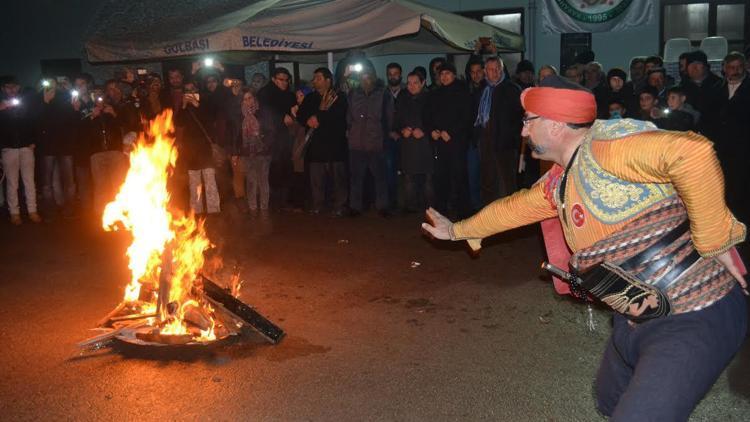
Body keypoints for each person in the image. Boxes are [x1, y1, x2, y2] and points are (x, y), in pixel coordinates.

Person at [422, 74, 747, 421]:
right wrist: (456, 230)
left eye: (528, 122)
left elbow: (692, 152)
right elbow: (513, 209)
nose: (522, 132)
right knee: (609, 400)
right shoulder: (562, 178)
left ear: (557, 124)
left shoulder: (609, 149)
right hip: (635, 315)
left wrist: (714, 240)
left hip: (694, 314)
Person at [296, 67, 348, 216]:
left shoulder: (338, 97)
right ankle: (318, 204)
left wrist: (319, 117)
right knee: (316, 179)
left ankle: (339, 206)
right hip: (316, 146)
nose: (315, 81)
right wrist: (308, 120)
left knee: (337, 179)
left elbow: (339, 116)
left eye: (318, 78)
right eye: (314, 78)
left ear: (328, 80)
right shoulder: (310, 98)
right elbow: (300, 115)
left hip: (334, 145)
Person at [423, 62, 473, 219]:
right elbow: (427, 116)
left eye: (447, 73)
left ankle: (463, 213)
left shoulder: (463, 93)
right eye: (441, 74)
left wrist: (451, 132)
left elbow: (467, 117)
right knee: (440, 178)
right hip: (440, 144)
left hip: (457, 143)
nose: (444, 77)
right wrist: (432, 131)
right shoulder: (435, 94)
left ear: (454, 74)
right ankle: (441, 211)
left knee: (459, 178)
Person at [475, 57, 524, 205]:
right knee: (488, 181)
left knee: (507, 183)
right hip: (485, 143)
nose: (494, 72)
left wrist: (511, 136)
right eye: (490, 69)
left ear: (502, 70)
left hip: (506, 144)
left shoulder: (512, 89)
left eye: (497, 69)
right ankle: (489, 217)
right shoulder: (481, 90)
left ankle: (509, 218)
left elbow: (520, 118)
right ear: (485, 72)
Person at [346, 68, 389, 217]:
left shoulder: (383, 93)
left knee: (380, 178)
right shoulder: (353, 94)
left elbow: (388, 116)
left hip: (376, 141)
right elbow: (348, 116)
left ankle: (382, 207)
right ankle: (355, 207)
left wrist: (385, 137)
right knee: (356, 178)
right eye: (363, 77)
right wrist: (350, 132)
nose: (366, 79)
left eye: (368, 76)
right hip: (356, 142)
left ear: (374, 77)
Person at [174, 80, 220, 215]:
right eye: (187, 91)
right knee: (194, 183)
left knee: (210, 181)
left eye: (192, 89)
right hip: (191, 150)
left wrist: (197, 105)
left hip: (205, 148)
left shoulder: (206, 102)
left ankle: (214, 211)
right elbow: (178, 123)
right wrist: (183, 106)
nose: (190, 93)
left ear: (197, 90)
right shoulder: (184, 106)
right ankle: (197, 211)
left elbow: (211, 120)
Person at [0, 75, 41, 224]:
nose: (11, 90)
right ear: (3, 89)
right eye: (8, 87)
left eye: (14, 86)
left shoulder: (26, 103)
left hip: (26, 147)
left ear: (18, 87)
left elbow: (34, 122)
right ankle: (14, 213)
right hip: (8, 148)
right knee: (12, 183)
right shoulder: (1, 106)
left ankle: (32, 210)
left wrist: (33, 141)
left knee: (29, 180)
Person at [35, 78, 76, 219]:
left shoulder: (65, 98)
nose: (52, 87)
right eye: (49, 84)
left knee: (69, 181)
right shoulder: (38, 100)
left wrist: (74, 108)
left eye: (54, 84)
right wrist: (45, 102)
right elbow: (36, 123)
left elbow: (72, 122)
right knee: (47, 182)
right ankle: (50, 211)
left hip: (65, 145)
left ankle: (69, 210)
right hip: (47, 146)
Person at [257, 67, 296, 210]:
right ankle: (273, 201)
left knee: (285, 167)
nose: (284, 83)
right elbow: (264, 114)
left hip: (286, 138)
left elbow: (293, 112)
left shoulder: (289, 95)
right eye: (281, 80)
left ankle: (284, 200)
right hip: (271, 139)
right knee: (274, 168)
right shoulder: (265, 94)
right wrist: (281, 118)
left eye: (286, 80)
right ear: (273, 79)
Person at [394, 70, 433, 213]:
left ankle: (430, 208)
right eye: (409, 83)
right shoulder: (403, 97)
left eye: (415, 83)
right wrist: (402, 129)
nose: (411, 86)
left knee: (428, 178)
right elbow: (396, 121)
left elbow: (435, 120)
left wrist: (424, 130)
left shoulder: (430, 98)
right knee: (408, 177)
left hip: (426, 144)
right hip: (408, 143)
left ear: (423, 83)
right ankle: (410, 207)